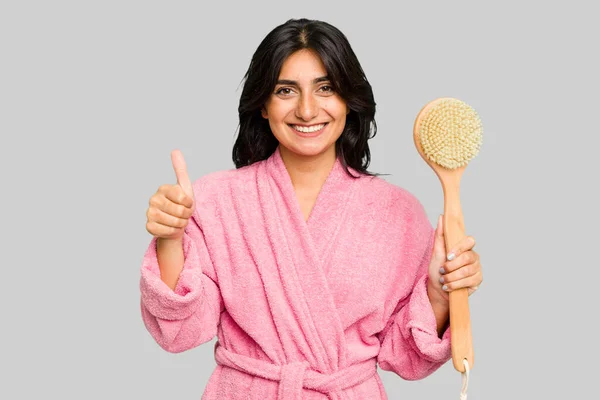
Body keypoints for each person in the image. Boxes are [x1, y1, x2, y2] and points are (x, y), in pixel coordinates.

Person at [140, 18, 483, 400]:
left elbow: (406, 357)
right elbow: (179, 333)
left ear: (348, 101)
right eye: (286, 90)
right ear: (264, 106)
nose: (307, 110)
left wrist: (439, 293)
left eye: (326, 88)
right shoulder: (216, 200)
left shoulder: (397, 212)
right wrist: (171, 239)